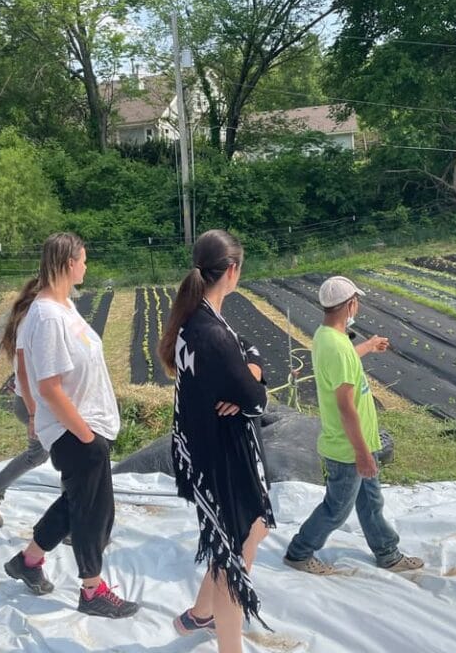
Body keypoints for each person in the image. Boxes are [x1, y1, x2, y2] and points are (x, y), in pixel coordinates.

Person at [2, 232, 137, 618]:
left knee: (77, 501)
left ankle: (28, 561)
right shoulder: (45, 315)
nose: (86, 266)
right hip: (75, 430)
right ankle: (92, 590)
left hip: (81, 427)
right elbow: (46, 385)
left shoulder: (60, 307)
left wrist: (34, 415)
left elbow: (25, 369)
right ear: (66, 263)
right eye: (82, 259)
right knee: (95, 511)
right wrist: (83, 433)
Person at [158, 229, 273, 653]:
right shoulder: (213, 334)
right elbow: (256, 400)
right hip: (223, 460)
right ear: (232, 271)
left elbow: (249, 354)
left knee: (244, 535)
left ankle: (200, 615)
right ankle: (229, 646)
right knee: (236, 553)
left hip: (204, 453)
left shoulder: (195, 322)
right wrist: (251, 376)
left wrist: (252, 367)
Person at [283, 275, 423, 576]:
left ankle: (388, 553)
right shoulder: (337, 347)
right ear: (350, 305)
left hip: (361, 442)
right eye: (356, 302)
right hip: (348, 448)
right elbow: (346, 407)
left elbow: (343, 361)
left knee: (371, 503)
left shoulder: (325, 336)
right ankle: (299, 552)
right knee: (336, 509)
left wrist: (368, 346)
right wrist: (361, 454)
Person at [0, 278, 50, 528]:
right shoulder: (31, 324)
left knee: (38, 456)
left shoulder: (34, 319)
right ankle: (69, 520)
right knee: (63, 454)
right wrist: (35, 416)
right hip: (33, 404)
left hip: (39, 403)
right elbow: (23, 376)